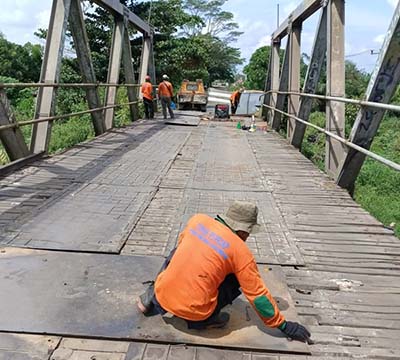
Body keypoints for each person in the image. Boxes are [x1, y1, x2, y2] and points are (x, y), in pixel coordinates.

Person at [137, 201, 311, 343]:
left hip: (162, 297)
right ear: (242, 229)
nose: (248, 237)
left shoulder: (197, 220)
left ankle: (149, 299)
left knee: (178, 252)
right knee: (237, 277)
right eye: (248, 232)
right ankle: (207, 319)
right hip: (195, 314)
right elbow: (257, 295)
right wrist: (283, 325)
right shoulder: (241, 252)